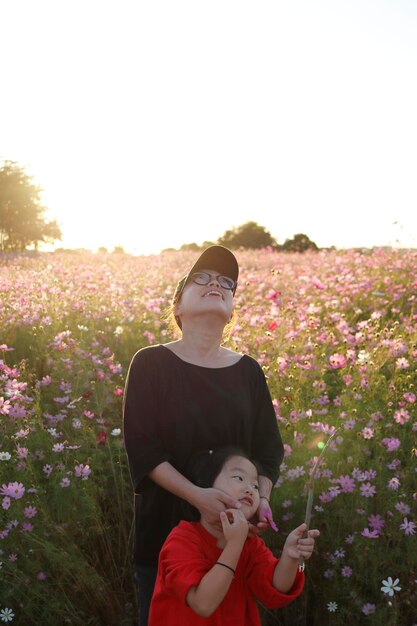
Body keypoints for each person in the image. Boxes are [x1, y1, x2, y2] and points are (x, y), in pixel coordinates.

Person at [123, 245, 284, 625]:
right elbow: (144, 450)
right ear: (177, 306)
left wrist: (260, 498)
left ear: (231, 311)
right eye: (203, 279)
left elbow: (268, 451)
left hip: (230, 540)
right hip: (164, 536)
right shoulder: (150, 363)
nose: (217, 284)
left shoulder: (249, 371)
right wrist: (199, 499)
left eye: (226, 283)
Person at [149, 447, 320, 625]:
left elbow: (274, 591)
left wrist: (289, 557)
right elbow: (203, 604)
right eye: (239, 478)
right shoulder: (182, 540)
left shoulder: (251, 544)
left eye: (255, 486)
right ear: (205, 485)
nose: (249, 489)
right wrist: (234, 544)